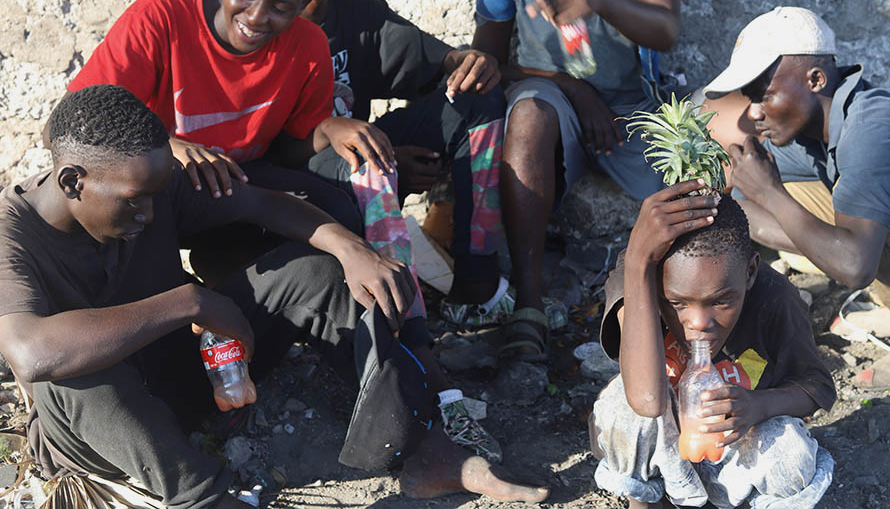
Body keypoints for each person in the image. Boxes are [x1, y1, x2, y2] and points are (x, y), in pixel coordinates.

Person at [64, 0, 503, 462]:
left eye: (279, 6)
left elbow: (295, 145)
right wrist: (172, 146)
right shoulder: (162, 16)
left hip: (241, 182)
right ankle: (195, 344)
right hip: (161, 184)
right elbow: (81, 117)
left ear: (304, 1)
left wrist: (329, 129)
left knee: (339, 204)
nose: (256, 17)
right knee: (143, 261)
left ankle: (390, 354)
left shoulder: (307, 44)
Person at [0, 85, 549, 508]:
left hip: (193, 381)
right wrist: (190, 301)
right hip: (109, 432)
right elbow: (30, 352)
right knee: (69, 367)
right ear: (72, 181)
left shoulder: (149, 186)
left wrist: (350, 246)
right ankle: (208, 498)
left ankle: (421, 448)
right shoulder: (11, 234)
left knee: (315, 269)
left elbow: (265, 205)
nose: (147, 214)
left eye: (152, 196)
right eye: (131, 203)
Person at [471, 0, 696, 361]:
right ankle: (528, 306)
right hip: (553, 102)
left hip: (633, 110)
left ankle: (701, 329)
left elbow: (665, 29)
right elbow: (491, 63)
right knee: (527, 112)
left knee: (699, 210)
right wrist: (571, 87)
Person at [706, 6, 890, 389]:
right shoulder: (814, 129)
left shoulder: (871, 134)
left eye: (765, 95)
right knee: (814, 199)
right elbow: (750, 200)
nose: (754, 113)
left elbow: (854, 266)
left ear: (814, 79)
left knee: (870, 212)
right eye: (750, 99)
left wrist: (771, 193)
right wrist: (716, 203)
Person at [263, 0, 515, 331]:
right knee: (366, 159)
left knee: (477, 95)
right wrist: (386, 159)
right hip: (292, 176)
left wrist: (467, 60)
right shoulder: (262, 22)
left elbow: (432, 61)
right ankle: (404, 322)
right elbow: (266, 147)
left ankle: (476, 286)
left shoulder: (352, 9)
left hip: (360, 151)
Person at [591, 181, 835, 508]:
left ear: (750, 272)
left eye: (720, 302)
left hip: (736, 457)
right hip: (664, 455)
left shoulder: (774, 299)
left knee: (790, 452)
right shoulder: (638, 281)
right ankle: (647, 502)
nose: (699, 322)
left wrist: (757, 405)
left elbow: (816, 387)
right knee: (623, 408)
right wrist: (637, 261)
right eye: (677, 303)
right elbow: (647, 402)